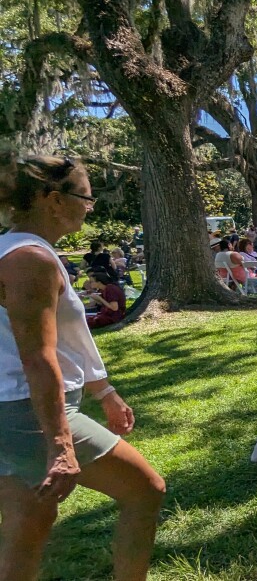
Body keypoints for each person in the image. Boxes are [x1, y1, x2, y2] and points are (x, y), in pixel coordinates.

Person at [0, 154, 165, 581]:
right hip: (28, 413)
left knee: (27, 527)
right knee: (145, 490)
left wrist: (104, 392)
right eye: (85, 197)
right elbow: (38, 358)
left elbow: (69, 339)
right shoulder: (28, 260)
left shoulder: (18, 251)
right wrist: (59, 445)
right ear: (52, 199)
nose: (90, 206)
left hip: (14, 410)